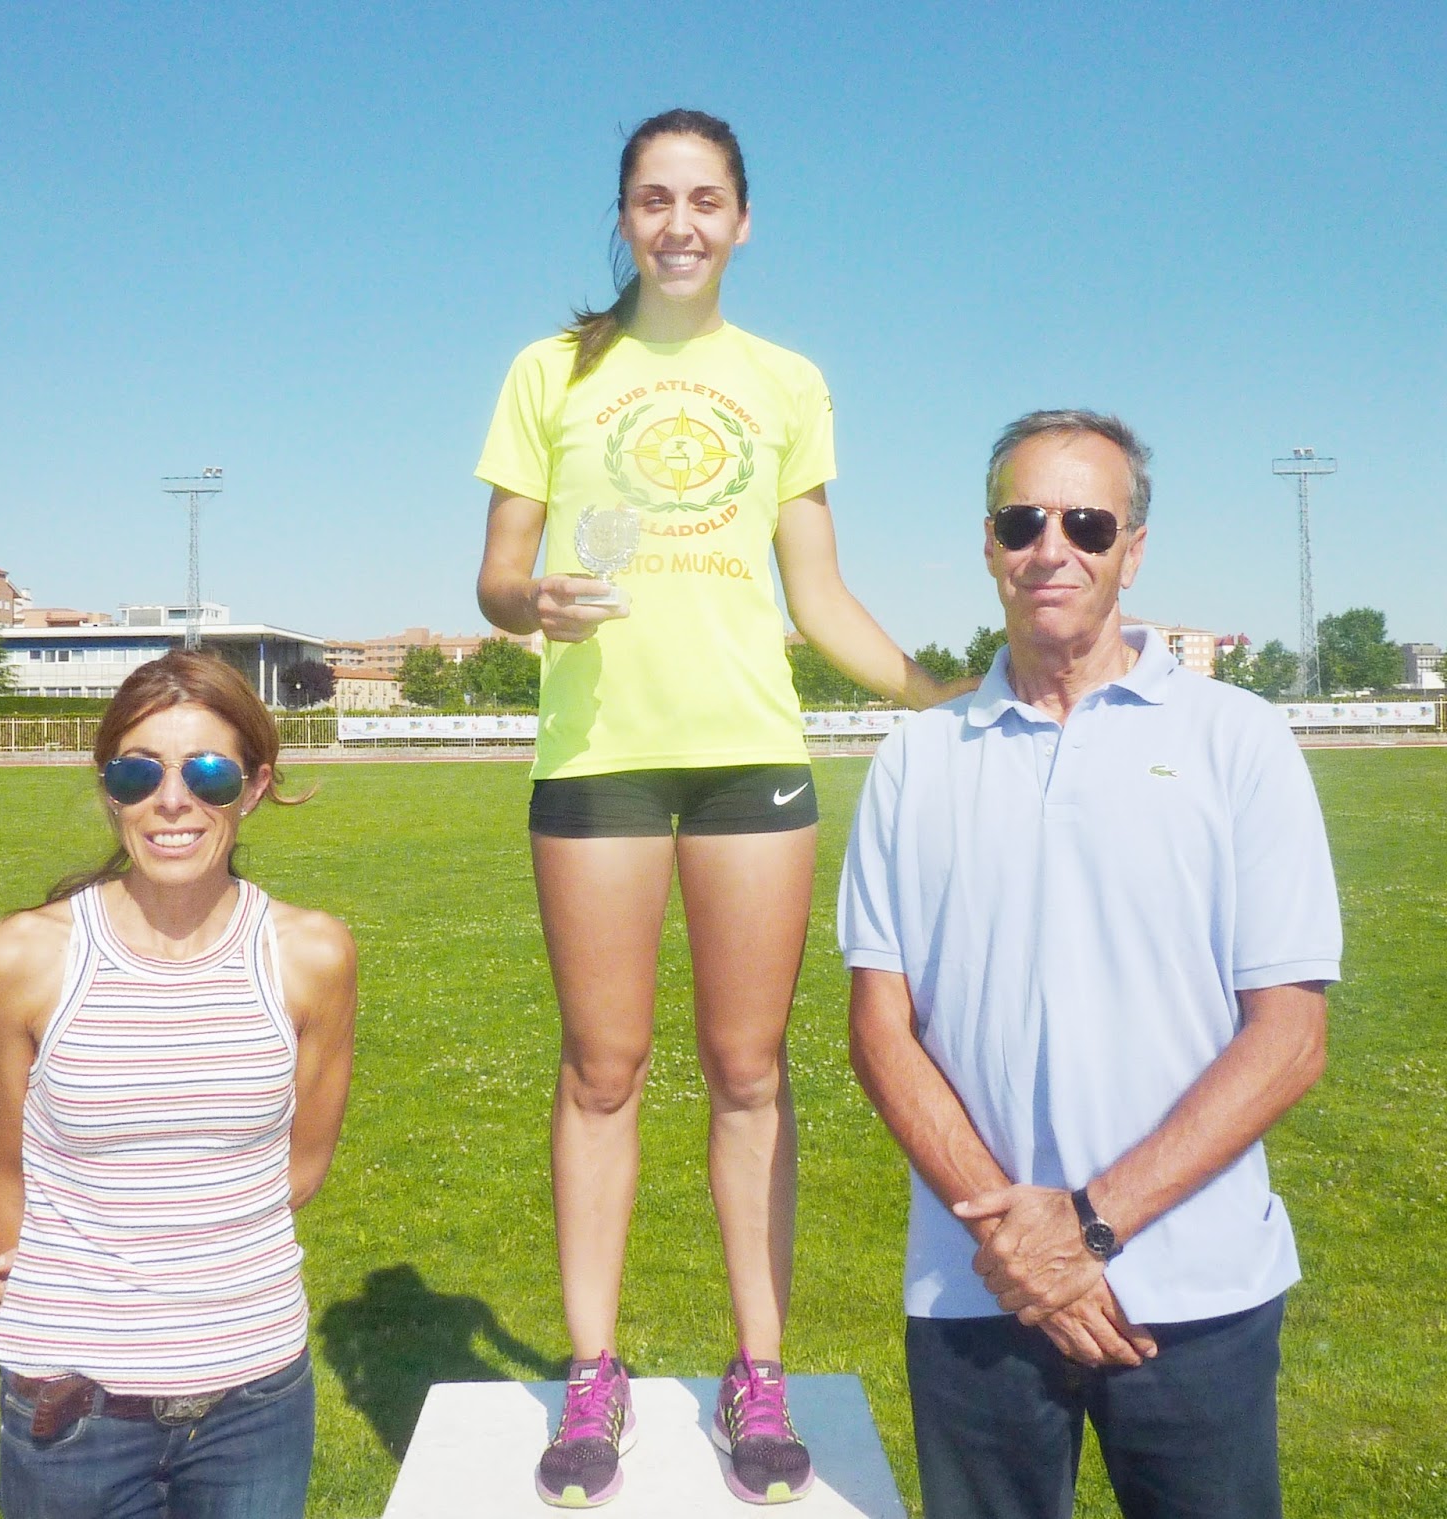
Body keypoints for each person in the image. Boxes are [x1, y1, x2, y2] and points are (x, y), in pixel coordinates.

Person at [475, 107, 966, 1509]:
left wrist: (945, 694)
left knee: (749, 1069)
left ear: (742, 221)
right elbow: (496, 576)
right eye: (653, 198)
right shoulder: (551, 369)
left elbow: (820, 594)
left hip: (752, 757)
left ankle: (761, 1369)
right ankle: (592, 1371)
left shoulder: (787, 381)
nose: (678, 222)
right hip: (598, 760)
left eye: (703, 200)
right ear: (624, 218)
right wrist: (530, 599)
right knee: (603, 1066)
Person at [840, 410, 1342, 1519]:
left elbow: (1289, 1035)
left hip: (1194, 1288)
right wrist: (1020, 1248)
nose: (1051, 548)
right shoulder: (916, 759)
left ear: (1133, 548)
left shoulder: (1236, 738)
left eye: (1086, 523)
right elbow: (880, 1028)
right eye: (1023, 521)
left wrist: (1090, 1226)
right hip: (977, 1288)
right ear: (989, 543)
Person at [0, 650, 357, 1519]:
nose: (171, 800)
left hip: (256, 1399)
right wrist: (30, 1269)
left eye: (207, 773)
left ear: (253, 787)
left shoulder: (311, 955)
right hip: (70, 1405)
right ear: (110, 790)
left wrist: (184, 1269)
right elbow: (6, 1164)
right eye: (138, 772)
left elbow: (302, 1166)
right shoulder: (20, 957)